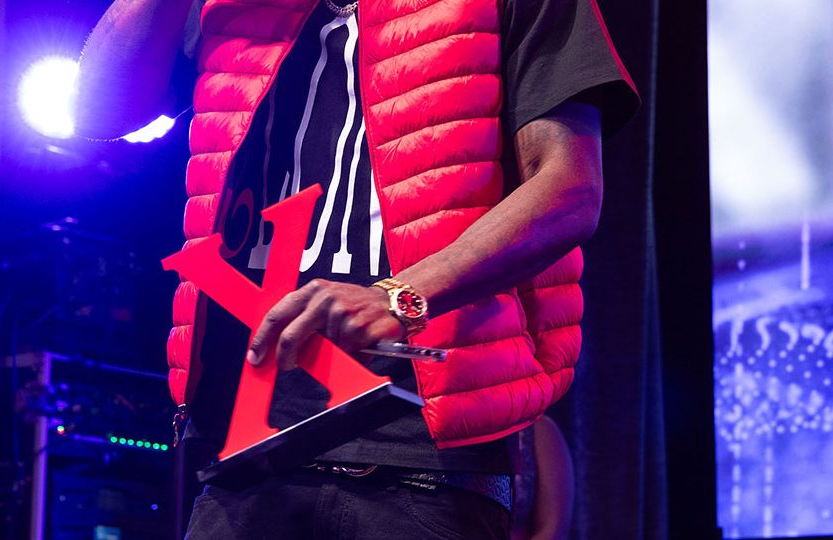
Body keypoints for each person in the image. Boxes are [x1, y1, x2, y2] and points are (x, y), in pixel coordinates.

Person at [77, 0, 638, 538]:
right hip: (243, 452)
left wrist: (400, 296)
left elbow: (568, 190)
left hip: (424, 457)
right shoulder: (234, 6)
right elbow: (98, 111)